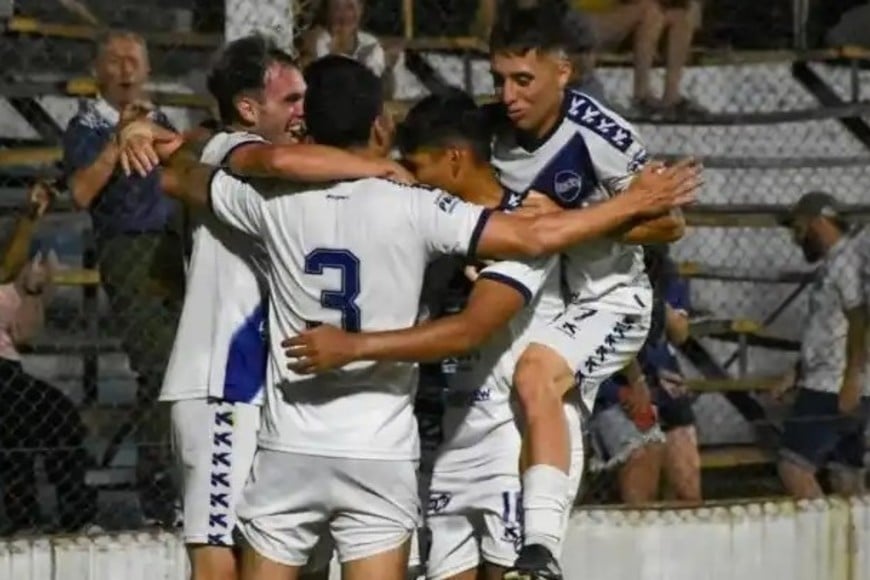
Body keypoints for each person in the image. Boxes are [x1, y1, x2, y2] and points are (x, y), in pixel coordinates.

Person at [122, 55, 696, 580]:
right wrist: (631, 203)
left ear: (307, 125)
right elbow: (533, 235)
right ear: (378, 126)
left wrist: (147, 132)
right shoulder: (416, 205)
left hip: (289, 443)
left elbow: (181, 177)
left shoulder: (268, 203)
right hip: (380, 451)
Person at [279, 91, 696, 578]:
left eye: (417, 166)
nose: (409, 179)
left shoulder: (527, 225)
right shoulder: (435, 227)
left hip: (511, 440)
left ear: (454, 160)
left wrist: (352, 347)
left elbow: (470, 329)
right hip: (452, 441)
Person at [115, 36, 411, 580]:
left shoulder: (286, 171)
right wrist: (375, 168)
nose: (304, 111)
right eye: (292, 99)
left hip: (263, 388)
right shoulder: (231, 147)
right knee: (218, 561)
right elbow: (269, 156)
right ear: (249, 109)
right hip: (223, 385)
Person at [484, 5, 688, 577]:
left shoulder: (604, 134)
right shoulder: (488, 128)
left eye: (523, 80)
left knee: (537, 377)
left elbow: (670, 224)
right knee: (530, 407)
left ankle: (540, 551)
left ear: (563, 73)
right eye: (499, 79)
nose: (509, 95)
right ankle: (525, 551)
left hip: (609, 301)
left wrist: (579, 217)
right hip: (537, 298)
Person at [61, 29, 184, 523]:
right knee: (158, 366)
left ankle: (174, 475)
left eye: (135, 60)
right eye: (115, 61)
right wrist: (119, 141)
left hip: (174, 246)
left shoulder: (162, 119)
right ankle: (156, 485)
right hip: (128, 246)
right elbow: (81, 194)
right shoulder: (86, 125)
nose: (127, 70)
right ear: (98, 70)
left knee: (183, 366)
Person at [0, 182, 97, 534]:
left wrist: (36, 292)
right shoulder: (9, 268)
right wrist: (30, 217)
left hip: (8, 369)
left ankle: (75, 516)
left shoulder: (16, 274)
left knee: (58, 417)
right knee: (21, 423)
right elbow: (7, 268)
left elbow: (25, 336)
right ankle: (24, 519)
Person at [776, 192, 869, 500]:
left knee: (794, 468)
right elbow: (830, 329)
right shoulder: (837, 263)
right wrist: (797, 371)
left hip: (832, 385)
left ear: (819, 222)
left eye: (798, 228)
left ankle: (820, 542)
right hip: (839, 382)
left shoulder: (846, 261)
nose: (795, 238)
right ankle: (857, 547)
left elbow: (860, 321)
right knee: (846, 476)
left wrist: (851, 380)